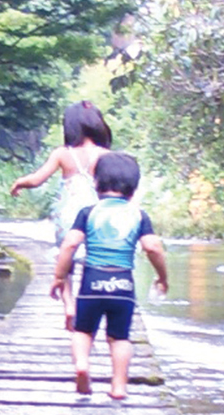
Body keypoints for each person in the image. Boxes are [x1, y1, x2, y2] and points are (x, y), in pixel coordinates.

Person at [51, 151, 169, 400]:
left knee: (83, 332)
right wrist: (162, 277)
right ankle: (118, 386)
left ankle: (82, 365)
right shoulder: (139, 215)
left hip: (92, 281)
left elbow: (70, 245)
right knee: (120, 338)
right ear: (133, 190)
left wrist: (60, 276)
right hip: (123, 285)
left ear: (96, 184)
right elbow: (152, 247)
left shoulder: (88, 212)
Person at [9, 101, 112, 327]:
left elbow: (37, 179)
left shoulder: (62, 154)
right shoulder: (106, 155)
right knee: (92, 260)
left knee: (65, 259)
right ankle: (90, 303)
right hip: (97, 215)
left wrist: (19, 183)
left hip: (67, 217)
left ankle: (69, 304)